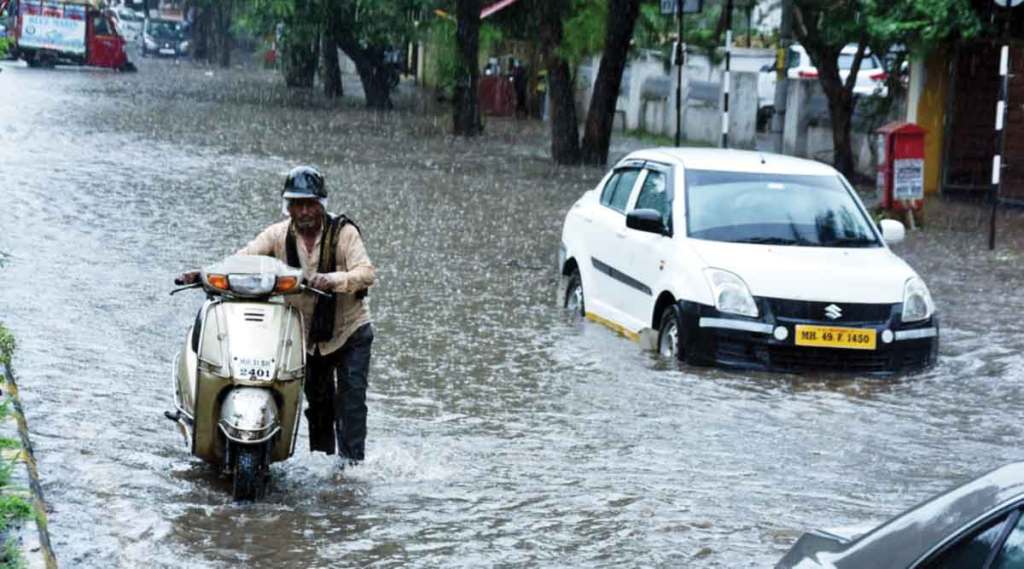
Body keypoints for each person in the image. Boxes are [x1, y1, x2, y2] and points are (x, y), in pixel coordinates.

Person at [178, 166, 376, 467]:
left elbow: (367, 273)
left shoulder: (343, 233)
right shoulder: (277, 235)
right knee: (318, 407)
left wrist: (332, 280)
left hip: (350, 332)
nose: (305, 211)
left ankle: (351, 470)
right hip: (307, 337)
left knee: (351, 406)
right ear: (289, 208)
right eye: (298, 204)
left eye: (310, 204)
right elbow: (243, 258)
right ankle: (325, 470)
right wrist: (203, 273)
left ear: (321, 205)